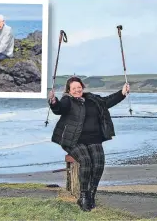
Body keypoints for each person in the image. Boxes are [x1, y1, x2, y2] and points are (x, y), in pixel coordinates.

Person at [48, 77, 130, 212]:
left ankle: (92, 194)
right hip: (73, 140)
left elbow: (107, 101)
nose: (76, 90)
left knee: (98, 163)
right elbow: (59, 108)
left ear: (82, 87)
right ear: (69, 90)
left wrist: (122, 93)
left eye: (78, 87)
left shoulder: (92, 99)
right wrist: (53, 101)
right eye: (73, 88)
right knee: (86, 161)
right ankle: (84, 196)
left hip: (94, 139)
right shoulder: (67, 100)